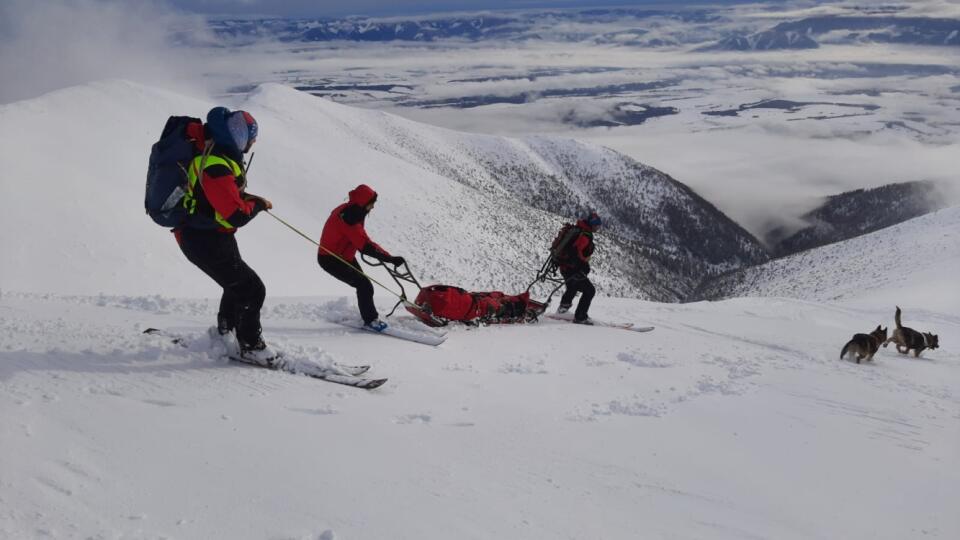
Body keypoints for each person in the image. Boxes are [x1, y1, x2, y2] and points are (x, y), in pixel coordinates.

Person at [174, 106, 276, 364]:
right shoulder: (215, 165)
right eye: (249, 137)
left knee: (236, 284)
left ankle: (225, 332)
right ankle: (251, 345)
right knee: (253, 289)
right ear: (237, 135)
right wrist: (259, 206)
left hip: (211, 236)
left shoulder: (217, 156)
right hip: (203, 241)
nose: (252, 143)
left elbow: (222, 199)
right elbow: (236, 215)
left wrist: (251, 200)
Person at [318, 184, 405, 332]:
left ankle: (368, 316)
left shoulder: (350, 210)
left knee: (364, 285)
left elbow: (359, 239)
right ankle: (370, 320)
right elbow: (366, 245)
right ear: (363, 203)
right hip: (331, 259)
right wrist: (390, 259)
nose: (372, 208)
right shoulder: (350, 219)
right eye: (371, 204)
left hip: (344, 256)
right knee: (364, 285)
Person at [556, 211, 601, 325]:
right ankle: (580, 317)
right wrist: (580, 267)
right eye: (597, 225)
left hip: (565, 267)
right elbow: (574, 252)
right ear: (592, 224)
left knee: (572, 286)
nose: (598, 228)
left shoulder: (579, 230)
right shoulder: (584, 236)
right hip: (572, 269)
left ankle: (563, 309)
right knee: (590, 291)